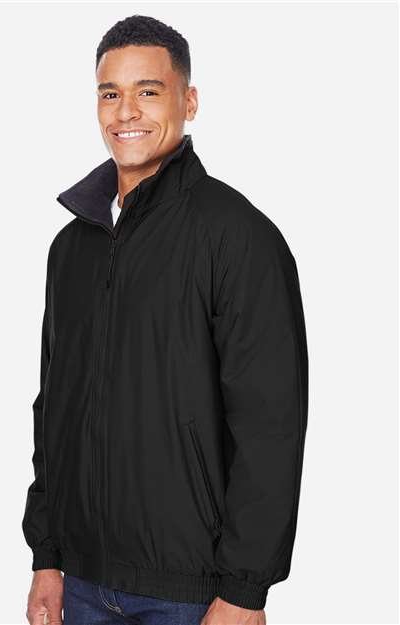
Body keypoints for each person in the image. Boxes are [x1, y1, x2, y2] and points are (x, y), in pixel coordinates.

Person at [23, 14, 308, 625]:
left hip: (191, 593)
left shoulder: (237, 236)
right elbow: (54, 408)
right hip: (81, 581)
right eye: (110, 94)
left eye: (148, 91)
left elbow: (271, 425)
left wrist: (244, 590)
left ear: (189, 101)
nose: (126, 111)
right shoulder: (71, 248)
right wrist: (47, 557)